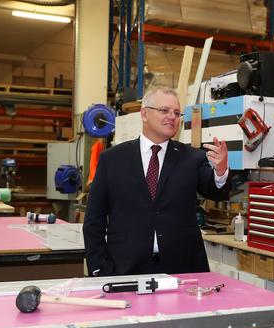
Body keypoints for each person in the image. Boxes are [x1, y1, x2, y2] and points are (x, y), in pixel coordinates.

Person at [83, 86, 230, 276]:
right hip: (125, 268)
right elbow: (94, 220)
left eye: (177, 113)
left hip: (183, 270)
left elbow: (216, 191)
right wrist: (98, 268)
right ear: (144, 114)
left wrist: (220, 170)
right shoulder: (112, 159)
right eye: (164, 110)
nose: (172, 117)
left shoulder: (192, 158)